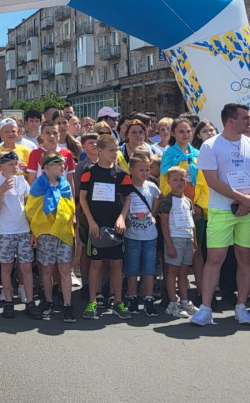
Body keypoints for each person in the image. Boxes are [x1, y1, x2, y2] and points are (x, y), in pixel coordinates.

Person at [191, 103, 250, 327]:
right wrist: (240, 198)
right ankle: (205, 308)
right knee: (215, 259)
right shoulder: (211, 145)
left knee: (246, 258)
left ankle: (241, 306)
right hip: (222, 209)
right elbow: (211, 180)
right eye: (245, 118)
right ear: (230, 121)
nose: (249, 122)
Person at [79, 134, 133, 320]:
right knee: (96, 264)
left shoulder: (121, 175)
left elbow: (128, 198)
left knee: (117, 264)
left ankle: (118, 301)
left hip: (115, 227)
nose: (115, 153)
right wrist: (91, 221)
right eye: (111, 150)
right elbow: (82, 198)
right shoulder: (89, 172)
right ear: (100, 150)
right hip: (96, 226)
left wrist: (121, 217)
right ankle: (92, 302)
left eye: (116, 149)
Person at [0, 151, 41, 320]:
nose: (14, 166)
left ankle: (29, 302)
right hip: (5, 232)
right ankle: (9, 302)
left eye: (16, 163)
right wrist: (1, 191)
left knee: (26, 266)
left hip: (23, 230)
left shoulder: (22, 181)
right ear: (0, 166)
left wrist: (33, 231)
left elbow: (28, 206)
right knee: (6, 267)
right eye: (10, 164)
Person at [25, 151, 77, 322]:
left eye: (64, 163)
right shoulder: (38, 186)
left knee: (65, 269)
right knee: (46, 269)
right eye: (59, 164)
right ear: (46, 167)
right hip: (45, 233)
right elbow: (32, 211)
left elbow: (70, 208)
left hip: (62, 232)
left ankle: (67, 305)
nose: (64, 166)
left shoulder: (65, 185)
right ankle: (48, 302)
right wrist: (34, 232)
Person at [122, 154, 161, 316]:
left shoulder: (151, 187)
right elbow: (122, 203)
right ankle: (132, 297)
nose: (145, 173)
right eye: (141, 170)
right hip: (132, 235)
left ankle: (149, 298)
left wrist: (153, 213)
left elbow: (158, 198)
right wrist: (125, 219)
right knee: (132, 268)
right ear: (131, 170)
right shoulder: (127, 186)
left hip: (150, 235)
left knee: (149, 268)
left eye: (147, 169)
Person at [158, 167, 197, 317]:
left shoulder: (187, 201)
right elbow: (164, 223)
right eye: (175, 180)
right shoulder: (167, 200)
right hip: (175, 239)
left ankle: (185, 302)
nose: (179, 183)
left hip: (187, 239)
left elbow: (191, 221)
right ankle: (172, 303)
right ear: (169, 182)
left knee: (184, 272)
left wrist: (194, 242)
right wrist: (169, 245)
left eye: (182, 179)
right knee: (172, 272)